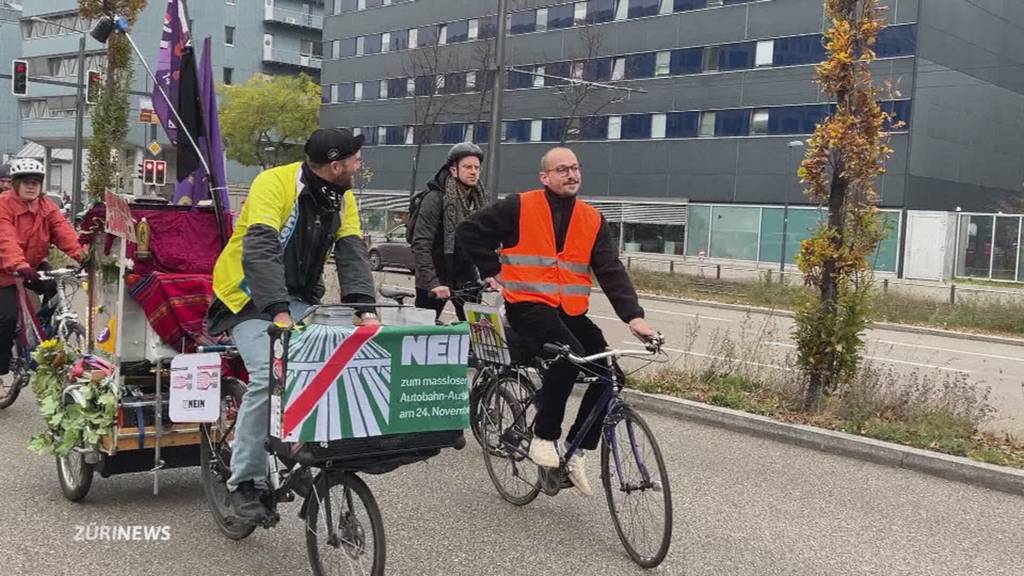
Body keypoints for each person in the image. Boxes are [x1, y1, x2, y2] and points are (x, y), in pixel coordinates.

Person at [457, 147, 656, 496]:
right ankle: (544, 437)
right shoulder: (519, 206)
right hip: (528, 306)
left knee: (609, 375)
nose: (572, 175)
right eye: (562, 169)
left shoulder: (592, 218)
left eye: (576, 168)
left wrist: (634, 317)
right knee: (568, 357)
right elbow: (469, 231)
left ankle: (576, 450)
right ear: (545, 177)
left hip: (570, 310)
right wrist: (493, 271)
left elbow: (610, 270)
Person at [207, 128, 378, 523]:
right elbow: (261, 248)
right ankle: (245, 482)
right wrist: (278, 311)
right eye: (355, 159)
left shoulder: (343, 196)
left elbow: (351, 252)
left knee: (336, 358)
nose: (359, 164)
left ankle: (300, 445)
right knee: (272, 373)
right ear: (336, 165)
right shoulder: (274, 183)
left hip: (299, 296)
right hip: (246, 298)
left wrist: (365, 310)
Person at [0, 158, 84, 392]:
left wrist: (83, 255)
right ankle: (3, 365)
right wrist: (18, 263)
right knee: (6, 317)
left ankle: (41, 335)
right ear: (15, 184)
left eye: (36, 181)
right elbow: (4, 238)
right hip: (5, 270)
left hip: (34, 265)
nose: (31, 186)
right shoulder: (3, 205)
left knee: (55, 288)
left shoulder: (46, 206)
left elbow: (64, 232)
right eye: (26, 181)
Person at [410, 142, 486, 323]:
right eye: (468, 167)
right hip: (436, 275)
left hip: (465, 276)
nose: (474, 172)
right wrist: (432, 282)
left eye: (477, 167)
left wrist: (488, 273)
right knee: (422, 332)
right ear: (453, 170)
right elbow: (421, 243)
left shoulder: (479, 199)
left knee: (477, 333)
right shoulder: (435, 198)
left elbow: (483, 242)